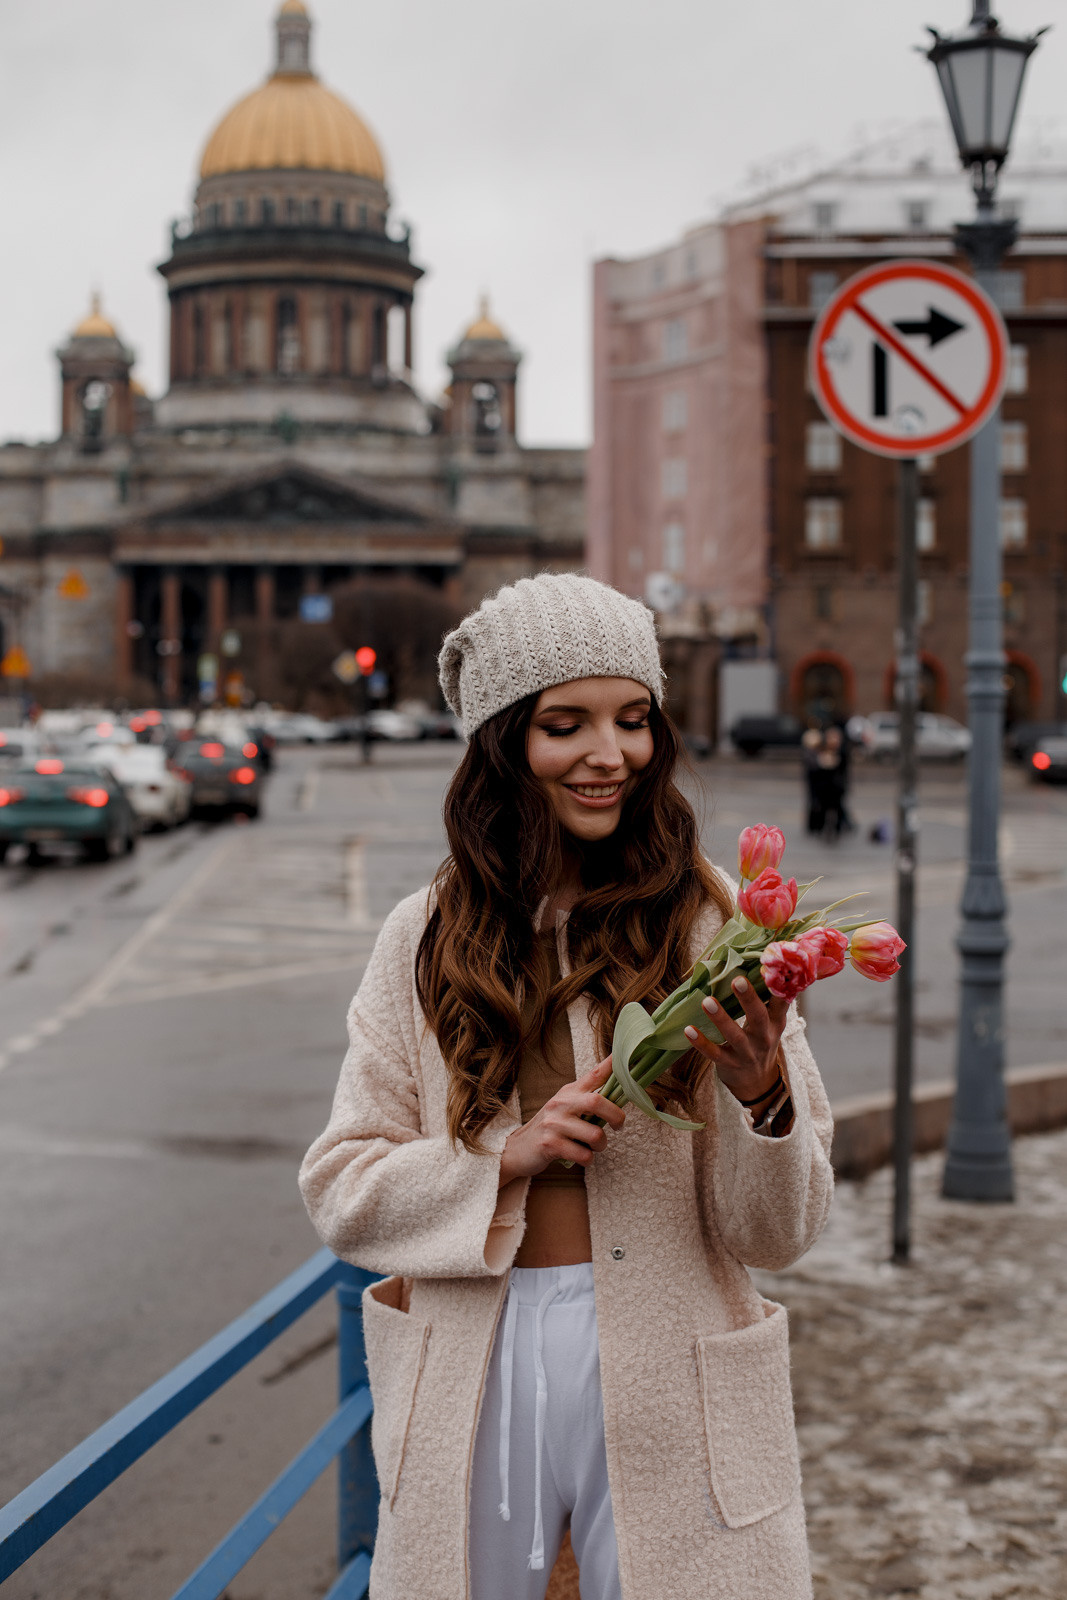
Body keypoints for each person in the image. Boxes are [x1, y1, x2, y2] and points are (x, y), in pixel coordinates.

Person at [299, 573, 834, 1600]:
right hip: (474, 1363)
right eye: (564, 725)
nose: (609, 753)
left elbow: (779, 1235)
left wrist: (762, 1094)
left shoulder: (714, 924)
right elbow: (341, 1188)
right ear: (502, 743)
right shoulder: (423, 937)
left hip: (675, 1365)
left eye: (632, 719)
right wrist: (503, 1159)